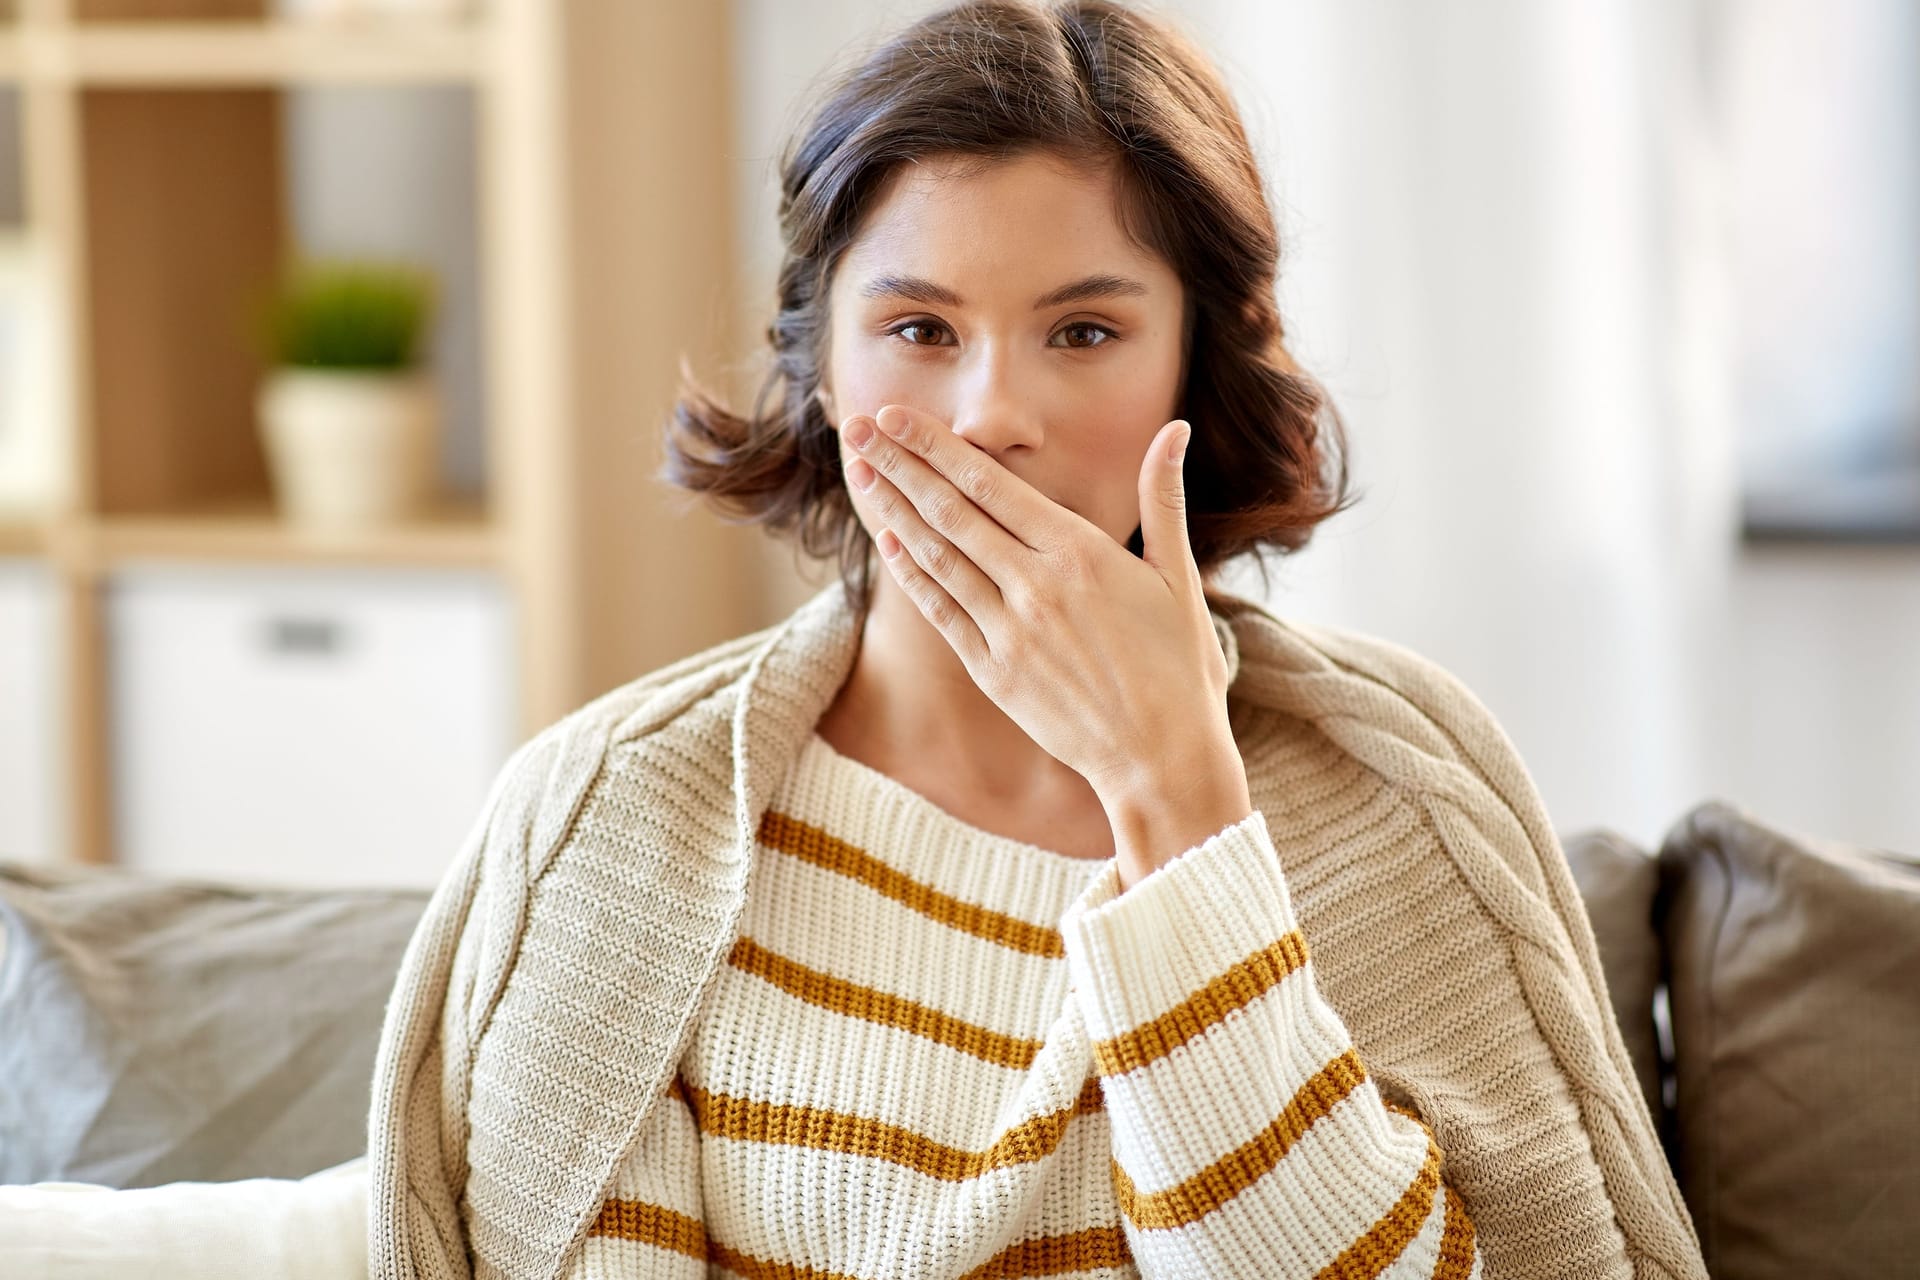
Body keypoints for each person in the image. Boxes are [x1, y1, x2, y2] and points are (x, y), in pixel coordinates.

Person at [366, 3, 1709, 1278]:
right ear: (825, 376)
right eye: (917, 329)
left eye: (1084, 330)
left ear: (1197, 360)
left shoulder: (1399, 787)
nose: (992, 414)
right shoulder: (615, 815)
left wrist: (1176, 799)